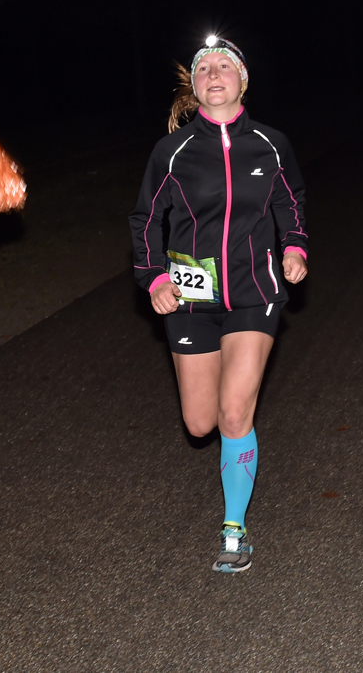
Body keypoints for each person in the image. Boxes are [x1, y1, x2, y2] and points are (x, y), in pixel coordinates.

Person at [129, 37, 308, 572]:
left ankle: (234, 527)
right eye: (204, 67)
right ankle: (233, 458)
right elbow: (145, 220)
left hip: (256, 293)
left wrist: (294, 246)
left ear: (242, 81)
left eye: (224, 66)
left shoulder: (271, 144)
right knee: (201, 421)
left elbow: (290, 200)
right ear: (195, 86)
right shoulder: (173, 150)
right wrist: (154, 276)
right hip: (191, 296)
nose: (214, 73)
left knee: (235, 411)